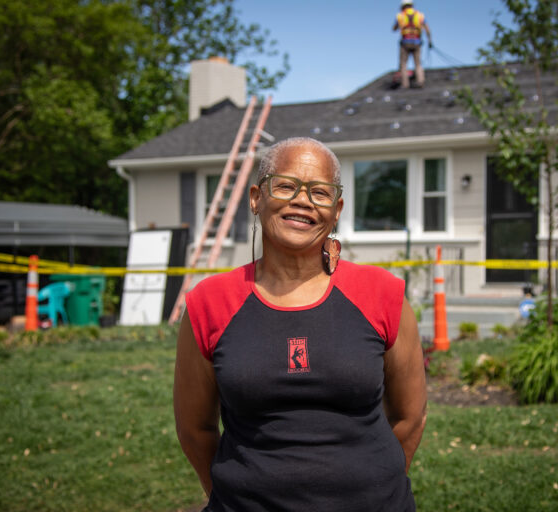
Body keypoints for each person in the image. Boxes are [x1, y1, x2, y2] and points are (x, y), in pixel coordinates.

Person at [174, 137, 427, 511]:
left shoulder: (383, 294)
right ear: (256, 197)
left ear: (336, 209)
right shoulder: (209, 303)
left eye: (320, 192)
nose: (303, 200)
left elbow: (411, 417)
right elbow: (196, 431)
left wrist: (374, 489)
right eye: (287, 186)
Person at [393, 0, 432, 88]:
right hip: (417, 42)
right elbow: (427, 29)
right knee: (418, 63)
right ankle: (420, 81)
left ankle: (405, 84)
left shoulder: (400, 15)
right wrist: (430, 41)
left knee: (403, 64)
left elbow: (394, 28)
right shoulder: (420, 15)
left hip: (405, 42)